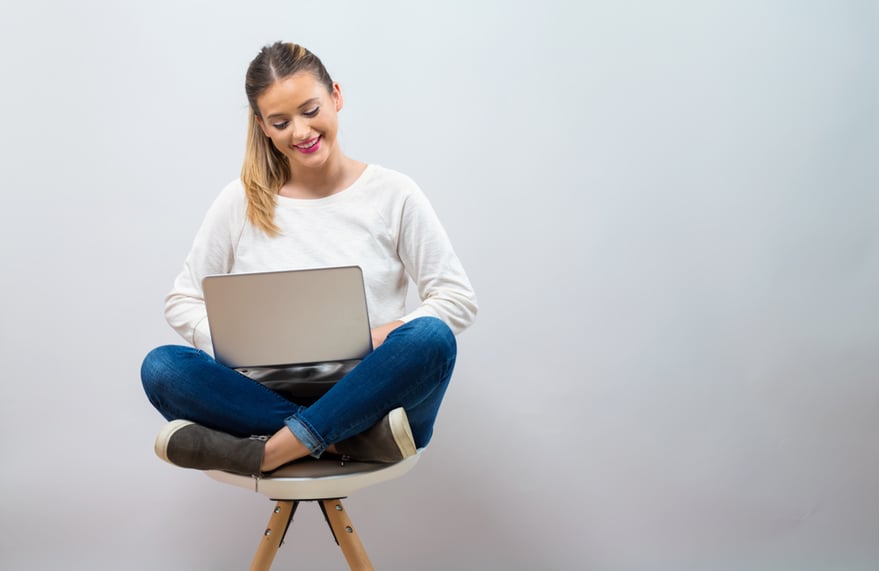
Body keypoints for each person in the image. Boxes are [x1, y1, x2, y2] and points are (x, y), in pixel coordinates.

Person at [140, 41, 478, 477]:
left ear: (336, 96)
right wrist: (238, 346)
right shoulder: (240, 202)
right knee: (163, 367)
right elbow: (182, 300)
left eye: (311, 110)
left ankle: (267, 452)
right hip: (268, 390)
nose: (300, 132)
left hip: (372, 390)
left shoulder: (394, 193)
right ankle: (341, 441)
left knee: (431, 338)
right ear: (262, 126)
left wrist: (380, 335)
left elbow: (456, 298)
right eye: (281, 122)